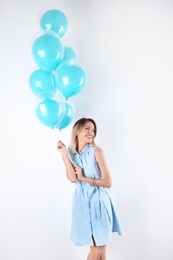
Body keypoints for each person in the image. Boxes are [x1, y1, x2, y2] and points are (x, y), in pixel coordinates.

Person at [57, 117, 123, 260]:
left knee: (97, 250)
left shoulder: (96, 152)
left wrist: (84, 178)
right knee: (101, 251)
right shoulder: (70, 154)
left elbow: (108, 182)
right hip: (81, 202)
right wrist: (63, 154)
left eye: (93, 130)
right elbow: (72, 179)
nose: (91, 133)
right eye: (87, 128)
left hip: (99, 201)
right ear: (77, 131)